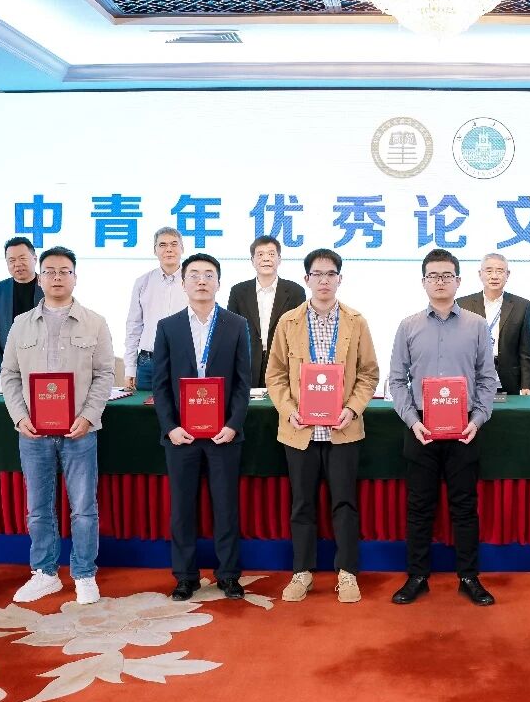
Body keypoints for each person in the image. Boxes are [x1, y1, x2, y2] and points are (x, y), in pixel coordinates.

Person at [0, 247, 115, 605]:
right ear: (40, 278)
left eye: (65, 271)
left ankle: (84, 574)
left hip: (79, 431)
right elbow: (9, 375)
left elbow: (105, 375)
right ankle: (45, 573)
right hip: (33, 433)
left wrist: (88, 416)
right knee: (38, 508)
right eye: (50, 271)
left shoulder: (95, 322)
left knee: (83, 508)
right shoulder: (21, 324)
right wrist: (20, 416)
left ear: (75, 277)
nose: (57, 277)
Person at [266, 248, 379, 604]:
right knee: (302, 503)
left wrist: (353, 409)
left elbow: (368, 373)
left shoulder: (356, 321)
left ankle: (347, 573)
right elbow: (275, 375)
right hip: (299, 429)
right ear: (306, 279)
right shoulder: (288, 322)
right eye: (317, 274)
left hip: (343, 429)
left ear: (340, 279)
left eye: (331, 274)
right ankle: (302, 573)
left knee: (344, 503)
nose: (324, 280)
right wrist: (288, 410)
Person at [388, 249, 499, 606]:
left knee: (464, 507)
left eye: (447, 275)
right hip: (421, 426)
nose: (440, 281)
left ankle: (469, 577)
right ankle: (417, 576)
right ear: (423, 282)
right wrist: (412, 420)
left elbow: (488, 379)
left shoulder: (477, 325)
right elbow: (396, 381)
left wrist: (477, 419)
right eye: (433, 276)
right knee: (419, 507)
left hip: (464, 428)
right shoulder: (408, 326)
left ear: (458, 281)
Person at [152, 252, 251, 602]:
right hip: (182, 435)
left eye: (209, 274)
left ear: (218, 282)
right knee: (182, 509)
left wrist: (233, 424)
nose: (201, 281)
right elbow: (160, 384)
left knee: (226, 508)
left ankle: (229, 575)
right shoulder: (168, 327)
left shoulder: (236, 324)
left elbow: (243, 382)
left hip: (224, 434)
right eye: (194, 274)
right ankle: (185, 577)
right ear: (183, 283)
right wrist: (170, 427)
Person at [227, 235, 306, 384]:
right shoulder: (238, 291)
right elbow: (231, 332)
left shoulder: (296, 291)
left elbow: (300, 332)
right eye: (260, 254)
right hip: (247, 363)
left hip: (283, 363)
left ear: (279, 259)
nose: (266, 259)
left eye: (271, 254)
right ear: (252, 260)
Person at [457, 253, 530, 395]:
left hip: (509, 379)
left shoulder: (521, 305)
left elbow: (526, 350)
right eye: (489, 271)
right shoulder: (463, 304)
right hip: (472, 377)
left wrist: (526, 385)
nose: (494, 276)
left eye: (499, 271)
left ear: (507, 274)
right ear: (480, 274)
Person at [123, 227, 188, 391]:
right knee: (145, 407)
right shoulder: (143, 282)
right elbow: (134, 326)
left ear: (182, 248)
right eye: (162, 245)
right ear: (155, 250)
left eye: (174, 244)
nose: (169, 249)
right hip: (148, 364)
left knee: (185, 406)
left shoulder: (194, 281)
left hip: (186, 360)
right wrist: (130, 367)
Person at [0, 237, 43, 376]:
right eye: (12, 260)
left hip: (45, 367)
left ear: (35, 258)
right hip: (10, 369)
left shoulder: (49, 286)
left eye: (22, 258)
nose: (17, 264)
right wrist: (0, 369)